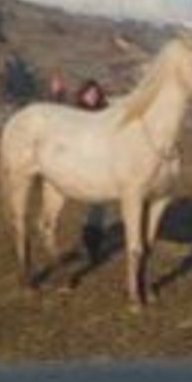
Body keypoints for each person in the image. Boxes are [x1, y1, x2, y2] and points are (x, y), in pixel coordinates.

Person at [74, 78, 109, 263]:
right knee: (93, 207)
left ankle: (92, 245)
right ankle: (89, 243)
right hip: (80, 163)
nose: (93, 96)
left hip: (101, 165)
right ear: (83, 94)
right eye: (90, 93)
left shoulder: (105, 113)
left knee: (97, 207)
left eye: (96, 93)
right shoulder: (76, 113)